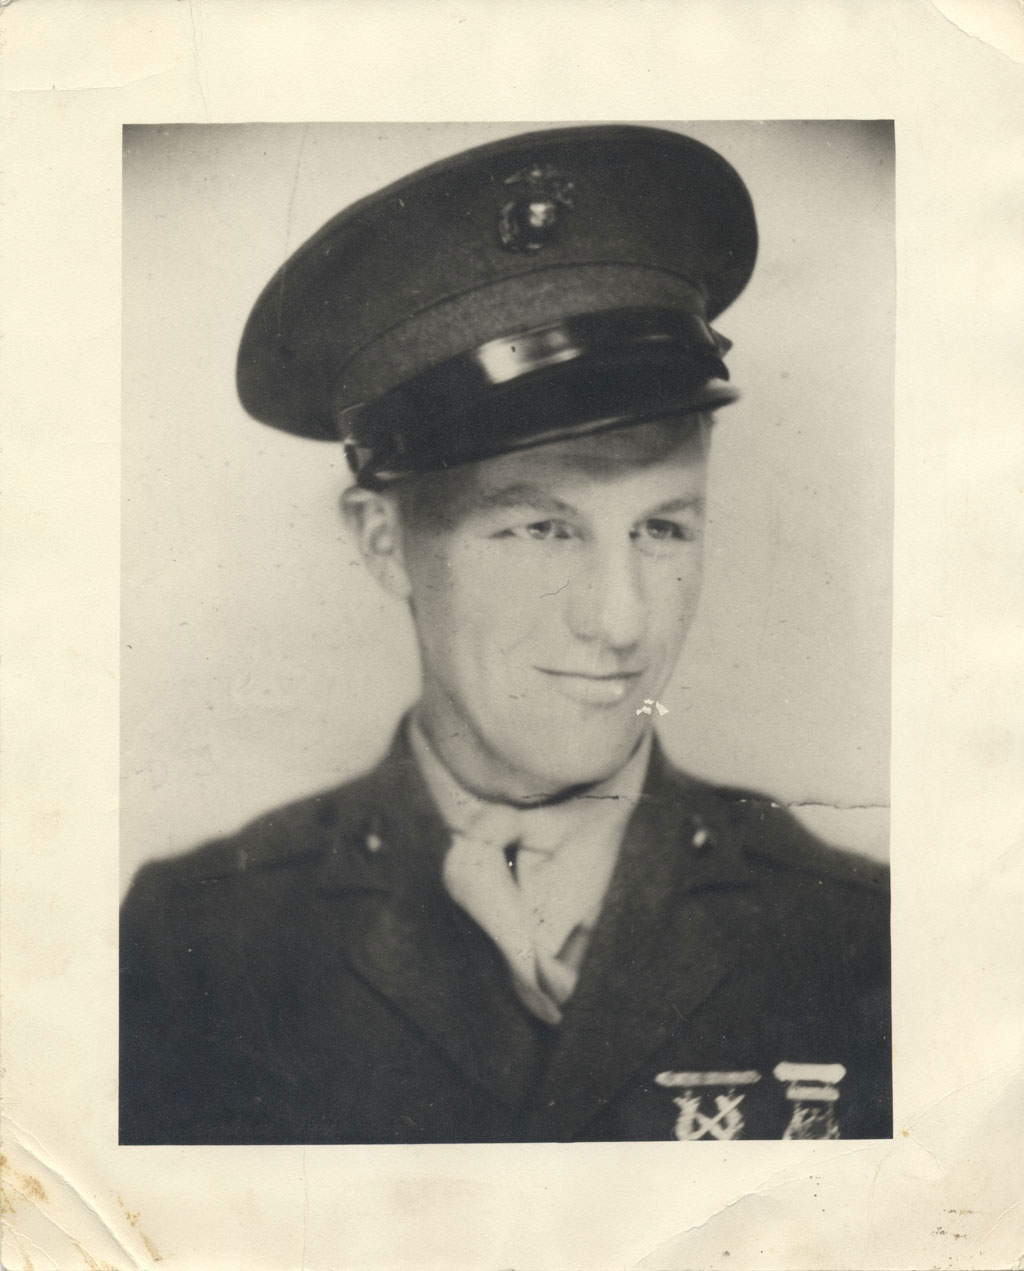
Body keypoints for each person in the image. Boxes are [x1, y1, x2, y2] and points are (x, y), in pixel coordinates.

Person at [119, 125, 891, 1144]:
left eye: (662, 528)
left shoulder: (858, 938)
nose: (619, 621)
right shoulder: (200, 945)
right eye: (539, 529)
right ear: (384, 540)